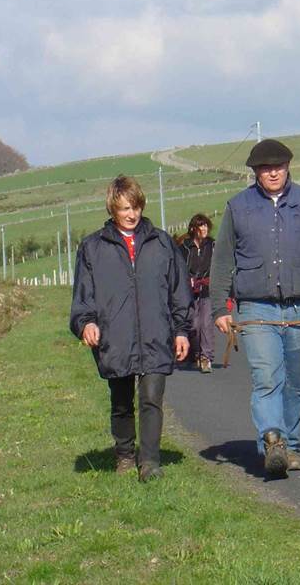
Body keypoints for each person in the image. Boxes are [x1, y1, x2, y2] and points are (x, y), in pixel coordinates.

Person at [210, 139, 300, 476]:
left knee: (296, 380)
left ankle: (288, 445)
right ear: (255, 172)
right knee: (266, 377)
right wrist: (219, 307)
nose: (273, 172)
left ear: (288, 167)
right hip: (256, 309)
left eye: (278, 166)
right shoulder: (238, 207)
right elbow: (222, 260)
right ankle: (272, 439)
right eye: (265, 168)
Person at [70, 175, 192, 483]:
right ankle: (124, 454)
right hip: (115, 336)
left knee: (152, 398)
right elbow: (83, 295)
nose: (132, 214)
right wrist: (86, 323)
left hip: (156, 334)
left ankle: (149, 462)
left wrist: (181, 330)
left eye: (135, 207)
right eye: (125, 208)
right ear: (112, 209)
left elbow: (179, 291)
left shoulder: (162, 243)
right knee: (122, 401)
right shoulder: (93, 247)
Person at [180, 214, 216, 373]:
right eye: (201, 226)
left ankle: (206, 357)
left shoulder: (213, 245)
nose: (204, 228)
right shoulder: (184, 247)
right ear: (194, 229)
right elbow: (179, 268)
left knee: (206, 323)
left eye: (206, 225)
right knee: (194, 325)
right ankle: (195, 353)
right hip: (189, 291)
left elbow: (220, 267)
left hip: (207, 290)